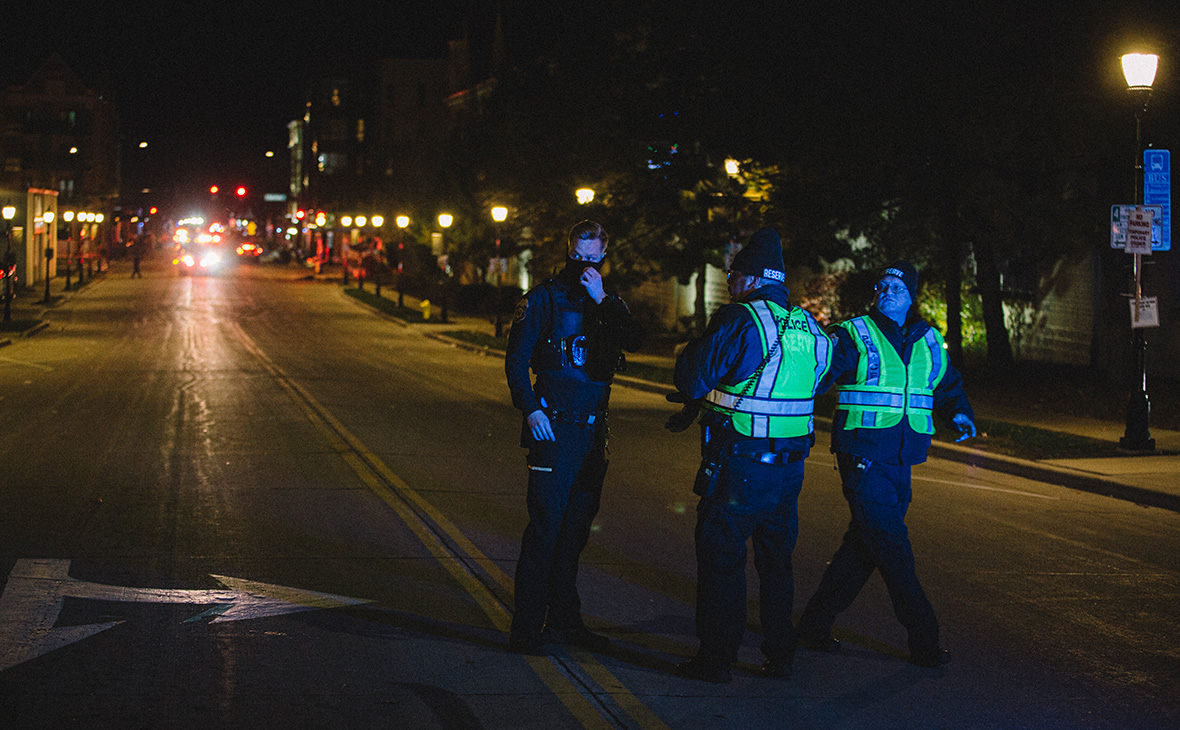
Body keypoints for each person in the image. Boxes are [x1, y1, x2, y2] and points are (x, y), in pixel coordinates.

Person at [668, 227, 832, 683]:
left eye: (732, 273)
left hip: (740, 466)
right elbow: (811, 385)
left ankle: (716, 658)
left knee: (722, 559)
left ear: (748, 277)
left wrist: (693, 350)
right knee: (776, 564)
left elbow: (693, 381)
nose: (728, 280)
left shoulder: (739, 318)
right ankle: (781, 654)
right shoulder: (810, 328)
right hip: (789, 470)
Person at [796, 260, 976, 668]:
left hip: (902, 460)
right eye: (882, 284)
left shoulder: (928, 339)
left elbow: (947, 384)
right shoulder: (852, 333)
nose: (888, 289)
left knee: (863, 547)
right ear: (873, 294)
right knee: (894, 550)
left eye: (897, 285)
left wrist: (960, 411)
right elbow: (820, 376)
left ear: (911, 296)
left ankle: (813, 626)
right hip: (862, 455)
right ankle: (925, 641)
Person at [504, 220, 645, 655]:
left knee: (574, 534)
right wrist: (530, 409)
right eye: (577, 256)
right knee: (546, 529)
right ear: (568, 251)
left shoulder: (608, 302)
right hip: (554, 426)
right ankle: (527, 629)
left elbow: (635, 341)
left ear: (604, 256)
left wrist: (604, 300)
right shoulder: (544, 298)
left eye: (592, 258)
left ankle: (565, 621)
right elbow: (515, 361)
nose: (583, 265)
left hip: (592, 431)